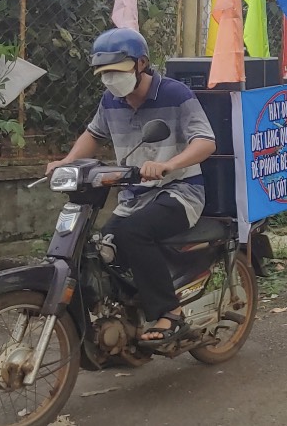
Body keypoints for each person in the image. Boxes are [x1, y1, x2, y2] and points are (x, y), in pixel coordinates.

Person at [47, 28, 216, 346]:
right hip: (134, 196)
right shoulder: (110, 100)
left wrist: (169, 164)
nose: (110, 79)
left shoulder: (175, 94)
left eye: (117, 71)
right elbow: (93, 135)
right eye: (104, 72)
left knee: (132, 234)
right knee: (101, 250)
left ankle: (172, 313)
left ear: (141, 64)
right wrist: (66, 161)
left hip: (180, 191)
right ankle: (128, 314)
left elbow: (205, 141)